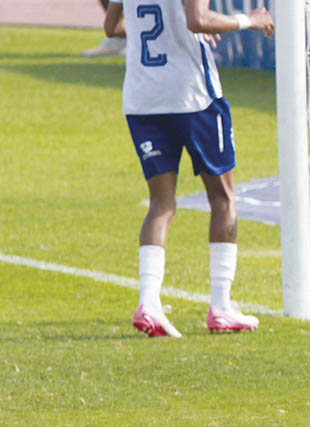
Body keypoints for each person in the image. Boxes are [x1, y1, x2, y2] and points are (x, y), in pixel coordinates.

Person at [104, 0, 273, 337]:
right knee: (223, 197)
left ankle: (149, 303)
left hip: (142, 98)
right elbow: (198, 20)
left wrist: (171, 36)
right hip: (191, 97)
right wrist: (248, 20)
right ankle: (221, 306)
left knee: (161, 204)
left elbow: (112, 27)